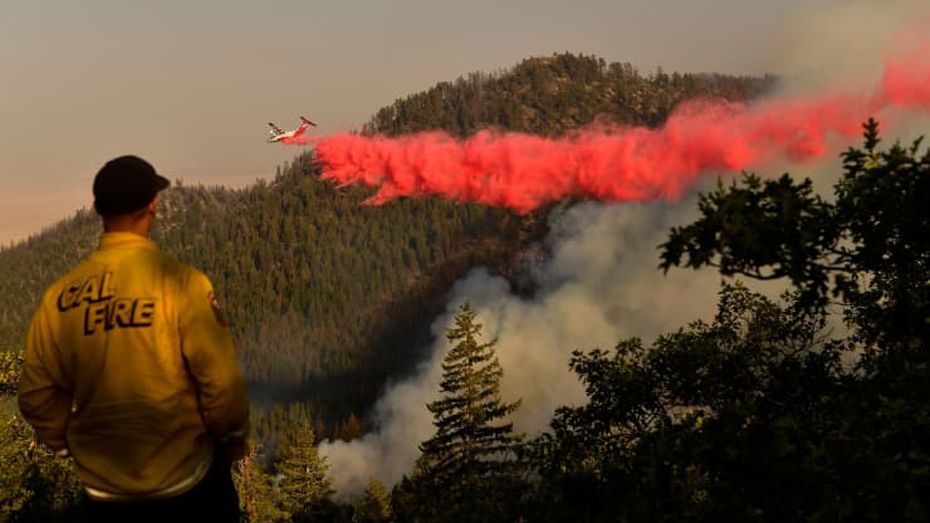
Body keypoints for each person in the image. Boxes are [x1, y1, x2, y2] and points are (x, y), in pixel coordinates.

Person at [18, 155, 250, 521]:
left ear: (97, 209)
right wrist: (232, 442)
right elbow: (222, 386)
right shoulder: (184, 285)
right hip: (188, 486)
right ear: (153, 206)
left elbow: (35, 394)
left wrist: (67, 446)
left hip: (103, 495)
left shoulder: (60, 298)